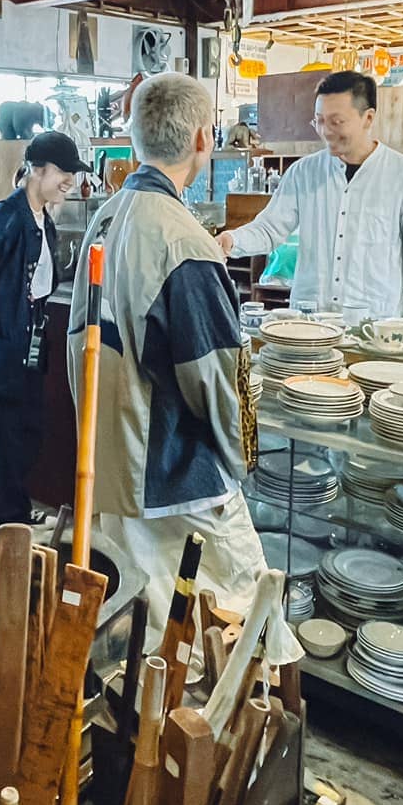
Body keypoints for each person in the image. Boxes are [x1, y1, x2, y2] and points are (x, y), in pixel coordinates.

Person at [71, 74, 282, 649]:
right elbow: (217, 376)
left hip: (112, 464)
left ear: (134, 136)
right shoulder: (183, 241)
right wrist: (244, 457)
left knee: (138, 641)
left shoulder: (107, 216)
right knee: (233, 639)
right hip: (177, 482)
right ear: (202, 139)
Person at [0, 131, 89, 528]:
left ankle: (17, 519)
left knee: (27, 436)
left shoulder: (41, 219)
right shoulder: (6, 218)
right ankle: (10, 529)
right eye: (63, 171)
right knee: (1, 450)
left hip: (25, 352)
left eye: (72, 173)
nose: (70, 180)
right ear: (36, 170)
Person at [217, 70, 403, 323]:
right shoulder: (303, 172)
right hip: (310, 325)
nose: (326, 131)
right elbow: (270, 228)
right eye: (319, 121)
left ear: (368, 118)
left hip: (374, 327)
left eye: (337, 122)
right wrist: (232, 240)